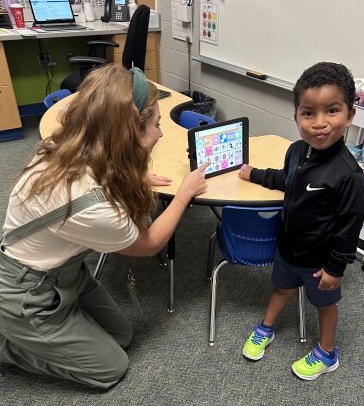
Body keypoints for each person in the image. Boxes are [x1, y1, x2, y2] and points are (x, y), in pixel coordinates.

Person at [0, 63, 209, 388]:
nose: (160, 133)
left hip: (65, 273)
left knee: (122, 336)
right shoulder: (92, 207)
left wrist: (130, 175)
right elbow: (151, 241)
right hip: (28, 294)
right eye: (154, 125)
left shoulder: (62, 145)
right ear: (128, 136)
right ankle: (9, 346)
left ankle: (60, 331)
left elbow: (101, 173)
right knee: (111, 368)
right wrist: (184, 194)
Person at [238, 62, 364, 380]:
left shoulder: (348, 174)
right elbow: (287, 179)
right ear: (296, 116)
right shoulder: (296, 151)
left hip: (320, 263)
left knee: (324, 305)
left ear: (349, 115)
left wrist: (336, 269)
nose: (319, 123)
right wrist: (254, 174)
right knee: (281, 289)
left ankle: (327, 352)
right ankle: (266, 328)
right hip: (288, 249)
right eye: (308, 113)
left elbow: (350, 225)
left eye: (332, 111)